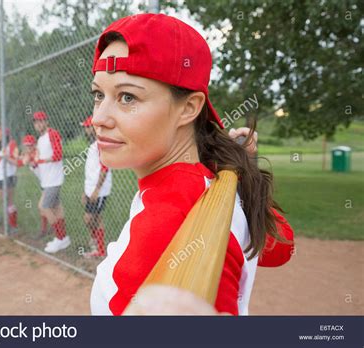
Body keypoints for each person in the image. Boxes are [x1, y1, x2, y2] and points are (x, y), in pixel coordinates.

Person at [89, 14, 294, 316]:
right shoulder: (211, 179)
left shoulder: (171, 214)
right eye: (98, 95)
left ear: (189, 108)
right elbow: (281, 246)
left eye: (127, 96)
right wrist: (243, 169)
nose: (99, 118)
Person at [29, 111, 70, 253]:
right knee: (57, 207)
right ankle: (63, 238)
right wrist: (35, 163)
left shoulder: (52, 134)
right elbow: (41, 159)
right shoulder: (40, 139)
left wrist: (41, 160)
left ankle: (60, 238)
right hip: (47, 180)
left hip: (54, 179)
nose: (38, 124)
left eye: (41, 121)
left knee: (44, 207)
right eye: (36, 122)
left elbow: (58, 155)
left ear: (46, 122)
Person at [80, 115, 113, 258]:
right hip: (91, 189)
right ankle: (98, 247)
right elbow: (91, 170)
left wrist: (97, 190)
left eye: (88, 127)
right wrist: (86, 191)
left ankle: (98, 248)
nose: (86, 130)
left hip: (98, 191)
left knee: (90, 218)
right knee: (93, 218)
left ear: (94, 129)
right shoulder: (94, 145)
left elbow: (104, 168)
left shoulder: (101, 144)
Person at [0, 127, 20, 234]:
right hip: (0, 176)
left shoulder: (12, 144)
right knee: (4, 201)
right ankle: (8, 224)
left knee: (8, 201)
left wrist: (5, 156)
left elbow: (16, 160)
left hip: (8, 176)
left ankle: (13, 226)